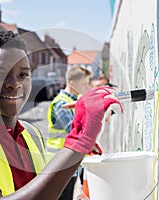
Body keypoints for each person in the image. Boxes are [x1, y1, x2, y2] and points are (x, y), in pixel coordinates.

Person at [0, 30, 122, 200]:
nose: (14, 83)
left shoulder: (30, 134)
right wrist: (79, 140)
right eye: (0, 73)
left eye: (23, 75)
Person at [46, 66, 92, 199]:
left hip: (69, 162)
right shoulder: (61, 104)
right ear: (72, 83)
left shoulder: (73, 102)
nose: (86, 87)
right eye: (83, 84)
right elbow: (75, 130)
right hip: (61, 164)